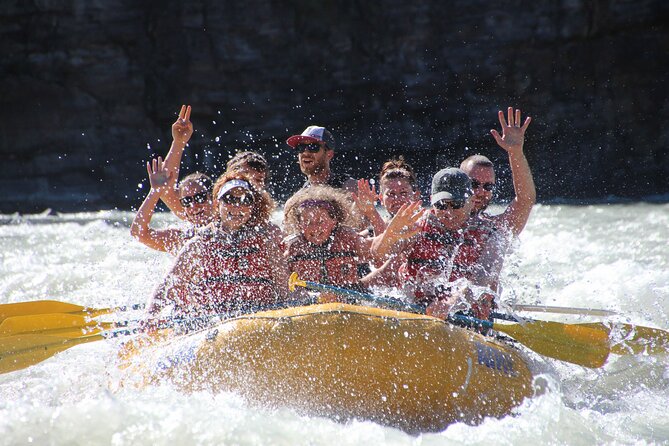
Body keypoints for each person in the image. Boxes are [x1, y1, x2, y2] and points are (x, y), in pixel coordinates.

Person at [145, 173, 289, 325]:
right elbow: (167, 285)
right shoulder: (199, 244)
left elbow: (285, 289)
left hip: (259, 322)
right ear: (216, 205)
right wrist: (150, 315)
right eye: (229, 199)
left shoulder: (266, 242)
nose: (236, 206)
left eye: (245, 200)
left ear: (252, 207)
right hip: (213, 326)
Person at [372, 168, 506, 321]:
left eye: (456, 204)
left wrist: (449, 303)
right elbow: (379, 254)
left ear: (471, 201)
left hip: (467, 319)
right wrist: (390, 234)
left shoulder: (492, 235)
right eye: (441, 205)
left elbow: (481, 280)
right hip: (415, 314)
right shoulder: (418, 225)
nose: (448, 212)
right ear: (432, 201)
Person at [460, 107, 535, 238]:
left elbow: (525, 200)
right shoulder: (434, 221)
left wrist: (515, 152)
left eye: (488, 186)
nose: (481, 192)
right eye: (474, 184)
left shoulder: (497, 228)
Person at [130, 157, 215, 254]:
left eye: (199, 198)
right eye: (186, 201)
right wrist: (155, 191)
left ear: (213, 198)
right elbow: (138, 233)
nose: (193, 206)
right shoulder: (182, 239)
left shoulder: (230, 227)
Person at [286, 126, 357, 193]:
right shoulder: (299, 196)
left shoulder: (349, 187)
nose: (306, 152)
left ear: (329, 154)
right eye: (300, 147)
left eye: (313, 147)